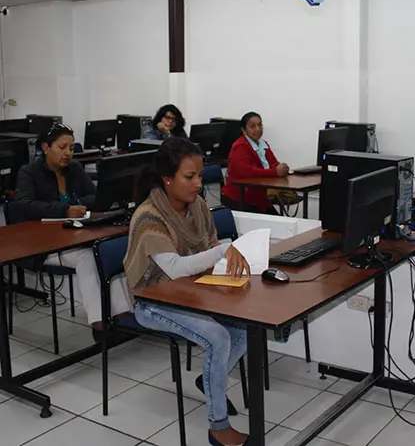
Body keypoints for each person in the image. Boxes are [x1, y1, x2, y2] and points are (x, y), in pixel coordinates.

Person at [124, 137, 249, 446]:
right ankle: (218, 427)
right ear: (168, 179)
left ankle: (209, 379)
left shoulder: (199, 206)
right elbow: (175, 268)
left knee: (244, 327)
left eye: (199, 175)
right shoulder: (149, 216)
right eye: (189, 176)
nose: (198, 182)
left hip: (189, 292)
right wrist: (223, 252)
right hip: (154, 300)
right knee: (218, 337)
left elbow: (209, 245)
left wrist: (227, 252)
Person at [14, 123, 131, 338]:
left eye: (71, 148)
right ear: (46, 147)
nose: (68, 153)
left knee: (106, 251)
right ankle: (99, 325)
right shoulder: (28, 172)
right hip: (42, 244)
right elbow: (24, 205)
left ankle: (122, 315)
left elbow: (96, 197)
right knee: (87, 258)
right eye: (62, 147)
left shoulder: (74, 169)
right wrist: (65, 209)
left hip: (73, 236)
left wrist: (79, 206)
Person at [221, 111, 289, 214]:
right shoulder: (240, 146)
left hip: (259, 196)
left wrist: (281, 168)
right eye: (252, 126)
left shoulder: (263, 143)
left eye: (260, 125)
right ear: (244, 130)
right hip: (241, 197)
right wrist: (275, 172)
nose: (258, 129)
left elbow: (273, 163)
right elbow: (247, 172)